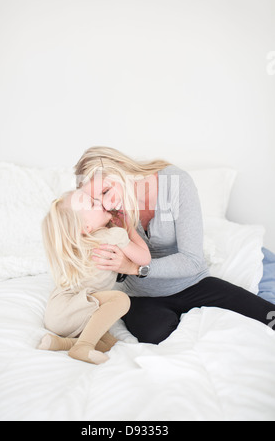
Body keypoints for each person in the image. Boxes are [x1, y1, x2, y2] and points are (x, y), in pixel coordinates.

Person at [74, 146, 275, 344]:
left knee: (269, 315)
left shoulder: (176, 183)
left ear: (122, 166)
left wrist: (135, 268)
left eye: (106, 190)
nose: (107, 204)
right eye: (96, 200)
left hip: (191, 282)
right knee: (157, 335)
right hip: (142, 295)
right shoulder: (104, 210)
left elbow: (193, 261)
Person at [39, 187, 151, 364]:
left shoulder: (78, 245)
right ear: (86, 227)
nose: (100, 202)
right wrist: (129, 229)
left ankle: (60, 343)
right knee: (120, 300)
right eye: (93, 203)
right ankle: (83, 346)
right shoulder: (113, 235)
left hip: (60, 312)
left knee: (109, 343)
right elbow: (144, 258)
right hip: (73, 307)